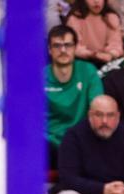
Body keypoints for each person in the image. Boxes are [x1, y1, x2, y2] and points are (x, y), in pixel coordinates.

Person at [45, 25, 104, 156]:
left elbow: (97, 107)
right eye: (57, 46)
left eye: (68, 45)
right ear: (49, 50)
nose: (63, 50)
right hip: (48, 143)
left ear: (76, 48)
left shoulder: (88, 71)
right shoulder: (39, 77)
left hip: (81, 139)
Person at [65, 0, 123, 67]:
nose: (96, 1)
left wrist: (111, 54)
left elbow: (116, 44)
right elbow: (74, 45)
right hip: (82, 61)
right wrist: (92, 54)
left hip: (108, 60)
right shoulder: (75, 18)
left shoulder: (111, 17)